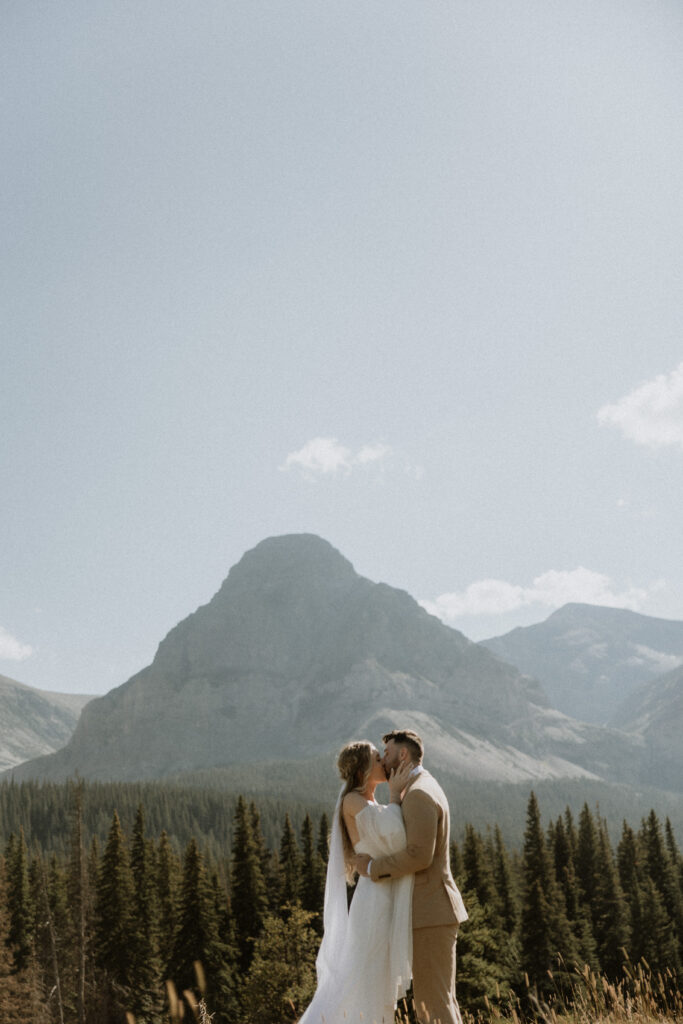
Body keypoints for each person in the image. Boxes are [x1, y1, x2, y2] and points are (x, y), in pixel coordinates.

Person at [353, 729, 468, 1024]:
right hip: (431, 911)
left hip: (430, 912)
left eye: (387, 754)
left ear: (403, 754)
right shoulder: (419, 787)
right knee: (440, 999)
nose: (383, 761)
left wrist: (371, 868)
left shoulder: (418, 794)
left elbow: (419, 855)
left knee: (434, 1004)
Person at [299, 740, 415, 1024]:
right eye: (377, 758)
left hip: (386, 889)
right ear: (363, 768)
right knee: (364, 974)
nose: (383, 763)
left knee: (379, 974)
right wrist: (397, 797)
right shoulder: (352, 800)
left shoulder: (371, 801)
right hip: (374, 898)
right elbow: (395, 832)